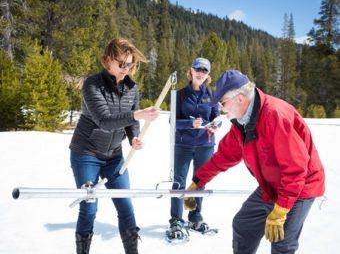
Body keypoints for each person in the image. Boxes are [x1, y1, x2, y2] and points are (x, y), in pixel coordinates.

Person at [184, 69, 325, 253]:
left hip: (299, 186)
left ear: (240, 99)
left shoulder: (275, 115)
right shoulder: (242, 122)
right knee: (244, 225)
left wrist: (281, 210)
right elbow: (224, 156)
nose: (221, 108)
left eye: (223, 102)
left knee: (281, 242)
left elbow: (296, 169)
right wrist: (197, 182)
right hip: (271, 185)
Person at [69, 38, 159, 254]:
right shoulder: (92, 84)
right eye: (122, 64)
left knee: (126, 206)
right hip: (86, 153)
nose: (125, 70)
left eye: (130, 65)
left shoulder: (131, 88)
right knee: (90, 207)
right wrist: (137, 113)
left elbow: (131, 122)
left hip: (114, 156)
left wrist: (133, 137)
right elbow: (105, 120)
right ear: (107, 60)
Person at [167, 57, 220, 240]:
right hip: (183, 145)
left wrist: (214, 126)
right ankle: (176, 219)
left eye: (204, 71)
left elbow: (217, 119)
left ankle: (195, 217)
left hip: (205, 145)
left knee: (200, 182)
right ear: (191, 70)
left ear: (208, 75)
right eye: (198, 69)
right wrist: (190, 123)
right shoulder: (180, 94)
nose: (200, 73)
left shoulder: (213, 95)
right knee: (178, 183)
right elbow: (172, 121)